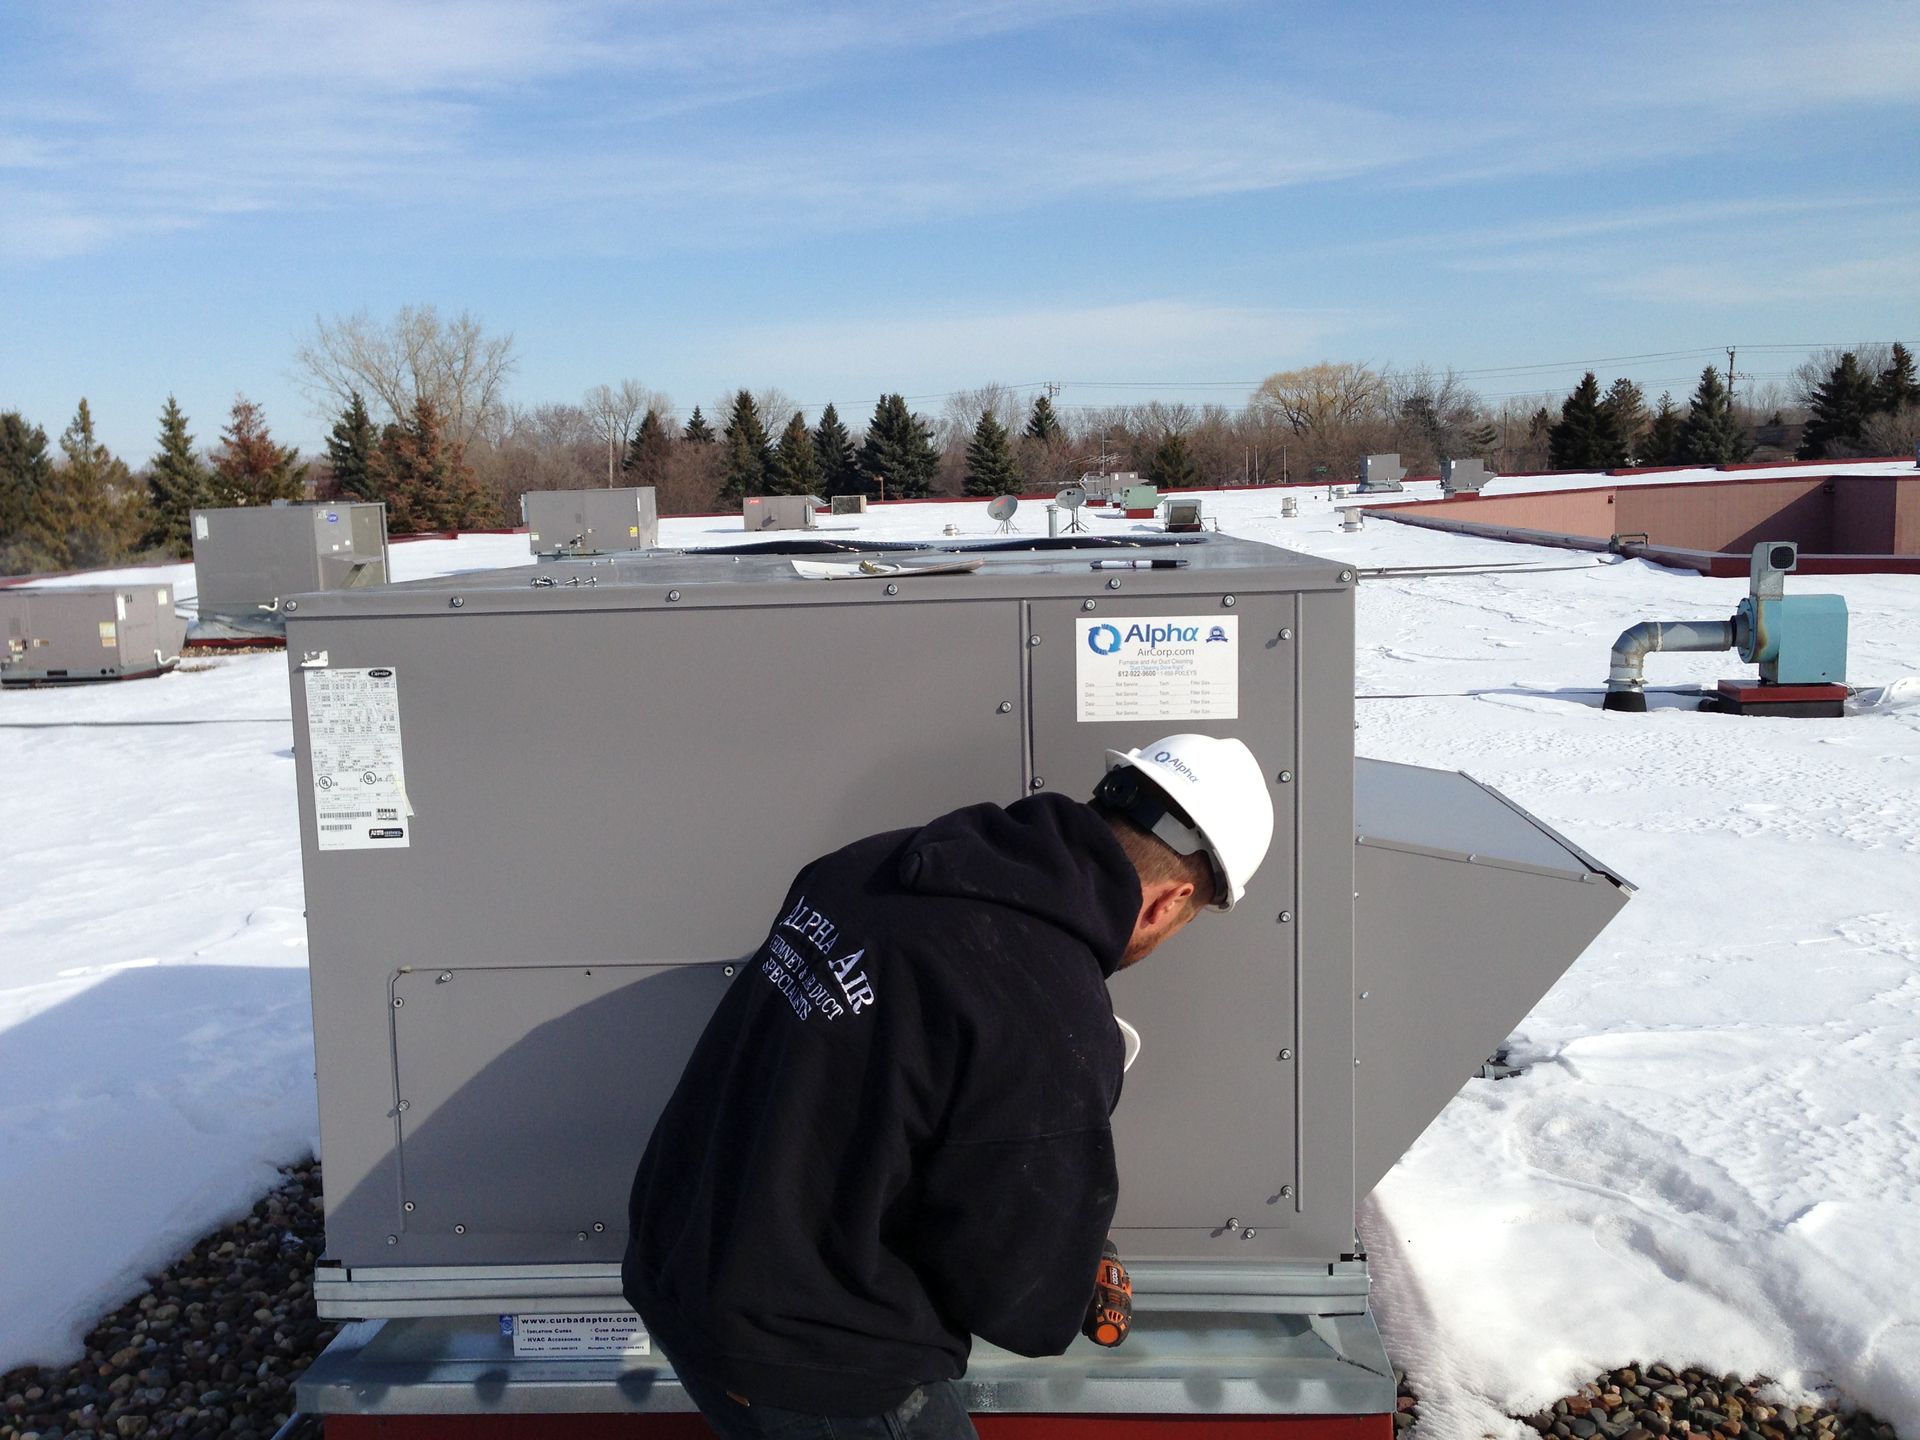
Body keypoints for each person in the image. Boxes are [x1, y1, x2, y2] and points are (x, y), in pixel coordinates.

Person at [624, 734, 1275, 1439]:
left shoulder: (866, 865)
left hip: (679, 1275)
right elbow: (1020, 1304)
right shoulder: (1051, 1017)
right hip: (819, 1360)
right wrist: (1072, 1251)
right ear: (1169, 902)